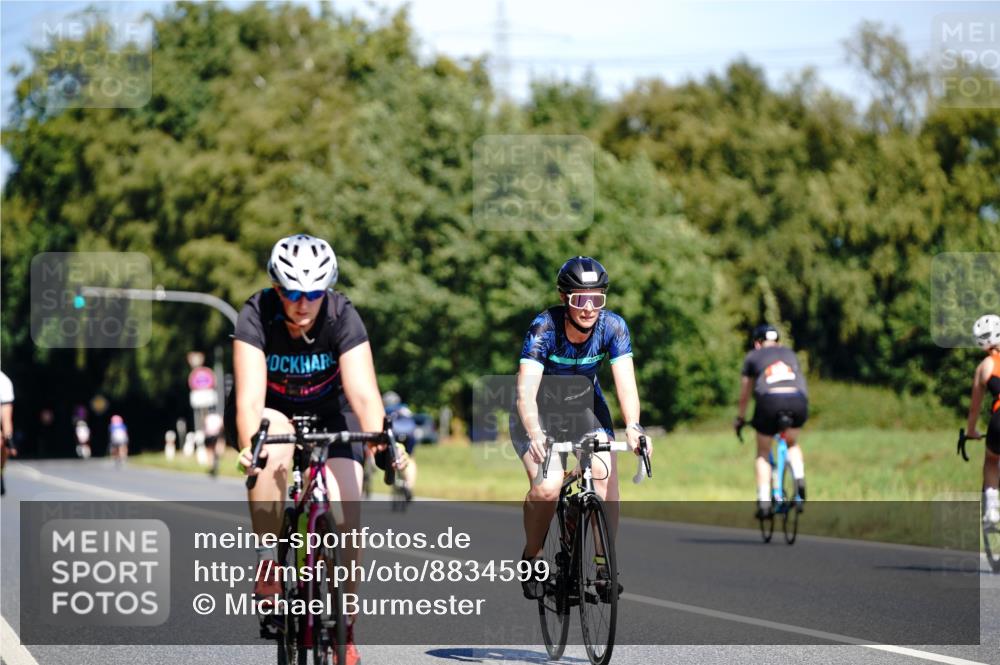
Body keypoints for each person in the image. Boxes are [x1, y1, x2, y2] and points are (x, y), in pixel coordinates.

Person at [230, 233, 395, 665]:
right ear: (276, 288)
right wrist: (252, 445)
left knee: (349, 509)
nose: (303, 304)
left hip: (331, 414)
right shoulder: (255, 314)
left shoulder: (342, 315)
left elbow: (362, 392)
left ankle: (346, 626)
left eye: (314, 293)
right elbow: (248, 397)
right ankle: (269, 562)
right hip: (274, 410)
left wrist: (381, 442)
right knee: (272, 453)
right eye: (293, 292)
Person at [512, 256, 651, 601]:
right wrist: (534, 432)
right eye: (579, 299)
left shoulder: (613, 327)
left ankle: (604, 565)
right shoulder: (544, 328)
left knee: (605, 474)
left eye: (596, 299)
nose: (589, 308)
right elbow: (525, 392)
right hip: (538, 412)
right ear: (564, 298)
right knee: (548, 488)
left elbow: (626, 385)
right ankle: (532, 555)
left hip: (584, 407)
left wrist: (633, 426)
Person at [734, 324, 809, 518]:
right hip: (798, 400)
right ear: (778, 342)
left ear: (757, 343)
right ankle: (799, 476)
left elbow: (745, 394)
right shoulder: (790, 353)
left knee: (763, 452)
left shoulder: (753, 356)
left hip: (770, 402)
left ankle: (764, 501)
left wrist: (740, 419)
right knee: (791, 443)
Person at [965, 314, 1000, 525]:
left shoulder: (985, 366)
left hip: (999, 420)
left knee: (991, 460)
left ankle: (992, 509)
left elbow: (974, 409)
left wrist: (971, 431)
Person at [383, 391, 418, 502]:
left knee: (386, 452)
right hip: (409, 435)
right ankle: (408, 485)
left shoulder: (384, 410)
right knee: (411, 459)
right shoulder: (405, 409)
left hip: (394, 433)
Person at [0, 371, 15, 496]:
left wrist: (9, 441)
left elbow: (6, 418)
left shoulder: (4, 382)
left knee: (1, 442)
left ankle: (0, 471)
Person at [203, 410, 224, 476]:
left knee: (209, 452)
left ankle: (210, 465)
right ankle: (214, 463)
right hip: (216, 435)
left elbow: (204, 425)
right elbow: (222, 426)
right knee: (214, 450)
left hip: (208, 435)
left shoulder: (207, 417)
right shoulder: (218, 417)